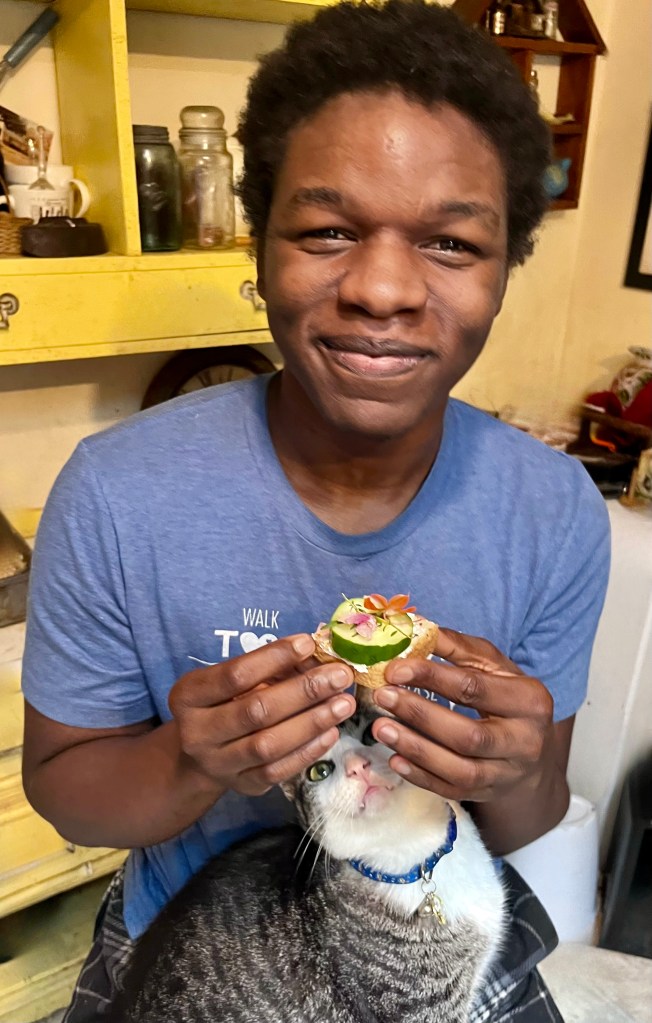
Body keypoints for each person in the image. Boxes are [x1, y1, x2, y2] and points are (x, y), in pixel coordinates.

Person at [21, 2, 610, 1020]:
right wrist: (185, 757)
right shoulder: (119, 493)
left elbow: (528, 814)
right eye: (327, 231)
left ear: (508, 266)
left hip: (432, 930)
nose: (381, 288)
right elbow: (65, 790)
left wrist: (510, 771)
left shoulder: (551, 508)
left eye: (450, 245)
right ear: (258, 245)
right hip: (199, 942)